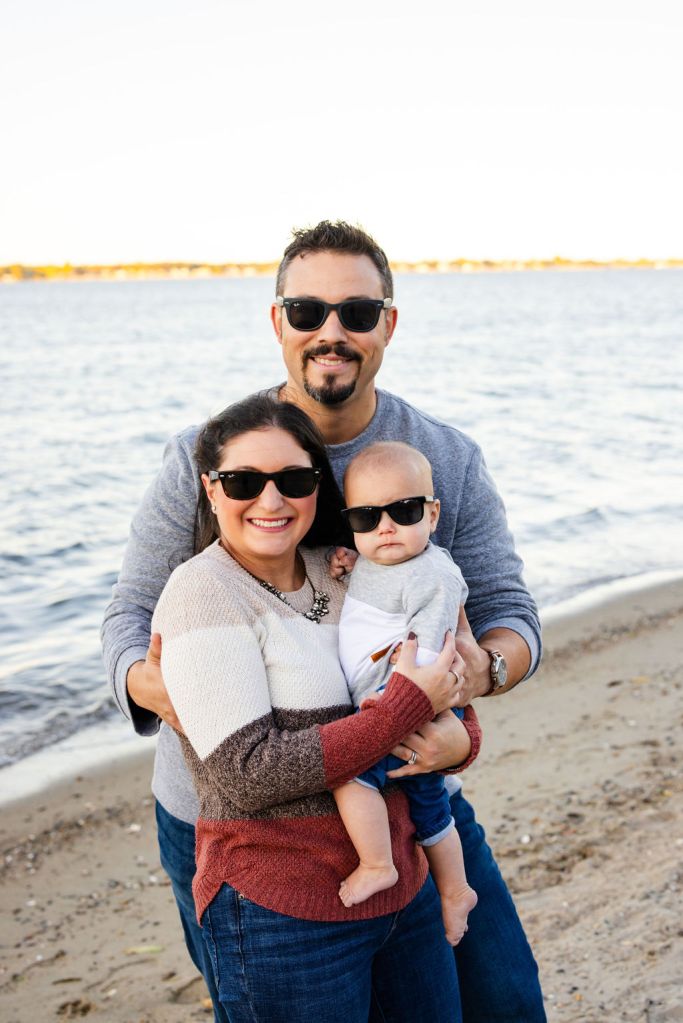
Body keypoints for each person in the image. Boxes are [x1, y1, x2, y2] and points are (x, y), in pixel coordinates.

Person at [102, 220, 546, 1022]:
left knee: (503, 1000)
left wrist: (467, 701)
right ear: (277, 322)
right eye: (306, 311)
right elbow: (130, 615)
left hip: (409, 787)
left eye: (355, 311)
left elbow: (510, 613)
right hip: (232, 820)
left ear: (388, 323)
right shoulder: (207, 456)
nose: (329, 332)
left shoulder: (443, 456)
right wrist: (170, 690)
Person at [151, 393, 479, 1021]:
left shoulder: (343, 568)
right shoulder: (202, 594)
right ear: (211, 490)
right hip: (285, 916)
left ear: (317, 490)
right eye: (245, 481)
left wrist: (461, 738)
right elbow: (247, 775)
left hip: (404, 892)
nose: (271, 501)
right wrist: (402, 712)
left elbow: (431, 676)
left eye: (294, 480)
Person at [332, 441, 478, 948]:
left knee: (350, 776)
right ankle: (456, 890)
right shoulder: (380, 557)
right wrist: (350, 565)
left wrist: (391, 706)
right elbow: (376, 591)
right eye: (367, 517)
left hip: (405, 705)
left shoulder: (434, 576)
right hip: (400, 707)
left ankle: (378, 864)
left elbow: (430, 652)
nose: (386, 527)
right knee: (431, 806)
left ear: (432, 514)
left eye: (405, 510)